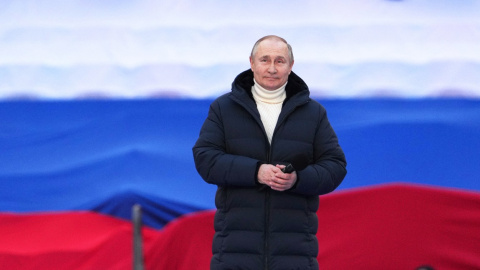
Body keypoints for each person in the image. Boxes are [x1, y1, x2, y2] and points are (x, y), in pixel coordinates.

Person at [193, 35, 347, 270]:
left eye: (280, 61)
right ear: (252, 63)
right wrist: (256, 172)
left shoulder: (314, 113)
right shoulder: (223, 108)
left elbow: (335, 166)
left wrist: (297, 180)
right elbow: (206, 159)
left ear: (291, 66)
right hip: (234, 253)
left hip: (295, 253)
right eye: (265, 60)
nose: (272, 68)